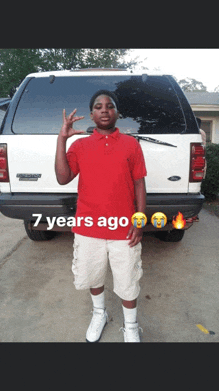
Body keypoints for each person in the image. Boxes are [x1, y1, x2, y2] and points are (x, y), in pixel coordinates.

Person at [55, 90, 147, 342]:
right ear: (92, 114)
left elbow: (139, 184)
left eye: (110, 105)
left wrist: (139, 222)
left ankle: (131, 326)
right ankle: (99, 313)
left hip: (124, 229)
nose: (104, 109)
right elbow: (63, 178)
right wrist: (61, 139)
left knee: (128, 279)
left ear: (117, 113)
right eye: (98, 106)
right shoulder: (80, 145)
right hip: (88, 227)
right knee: (93, 274)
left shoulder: (131, 144)